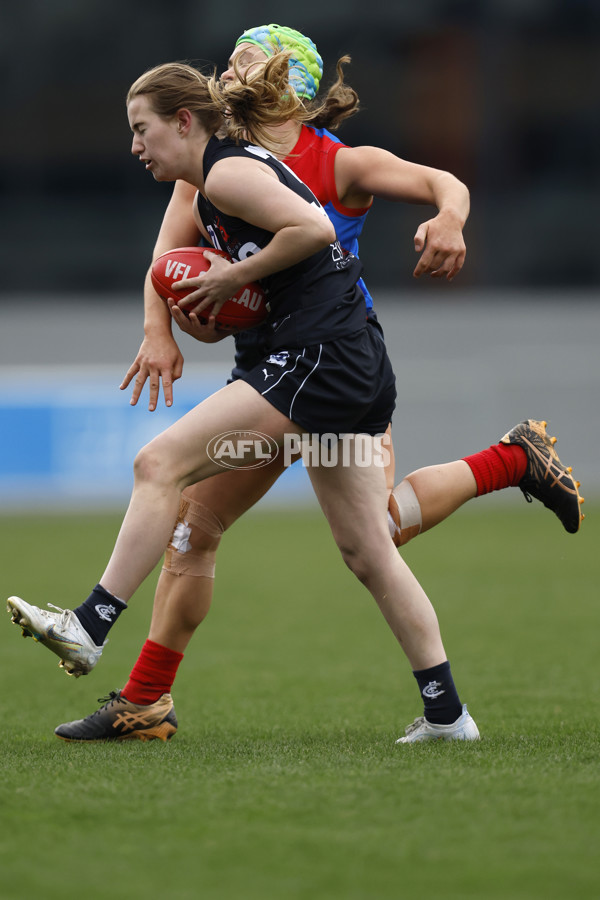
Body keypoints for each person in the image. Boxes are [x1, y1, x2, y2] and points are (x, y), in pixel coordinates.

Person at [7, 27, 583, 743]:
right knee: (209, 527)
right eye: (234, 58)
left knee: (359, 526)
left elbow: (437, 186)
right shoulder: (205, 166)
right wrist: (165, 328)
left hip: (322, 364)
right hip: (279, 365)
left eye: (253, 60)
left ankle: (510, 460)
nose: (234, 69)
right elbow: (168, 262)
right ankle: (153, 702)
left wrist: (450, 217)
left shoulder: (322, 163)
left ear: (293, 88)